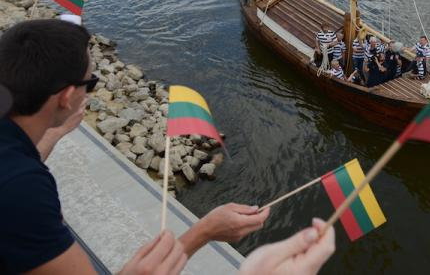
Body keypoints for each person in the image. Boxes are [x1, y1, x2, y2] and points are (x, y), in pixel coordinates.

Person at [0, 20, 335, 274]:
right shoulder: (23, 194)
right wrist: (205, 232)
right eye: (93, 82)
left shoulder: (15, 152)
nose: (92, 90)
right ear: (67, 97)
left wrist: (54, 133)